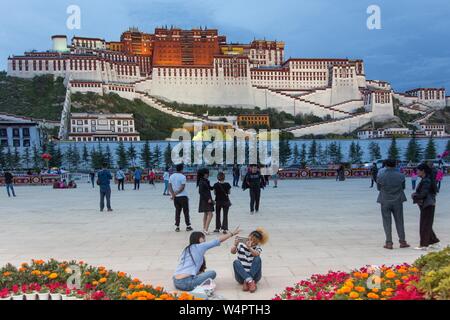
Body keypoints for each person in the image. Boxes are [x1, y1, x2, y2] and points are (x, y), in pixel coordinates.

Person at [173, 227, 240, 292]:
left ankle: (197, 284)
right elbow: (217, 240)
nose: (205, 240)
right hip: (186, 283)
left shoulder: (187, 249)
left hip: (176, 282)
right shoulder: (200, 246)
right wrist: (232, 234)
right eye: (203, 238)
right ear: (198, 239)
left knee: (203, 274)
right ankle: (199, 287)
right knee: (212, 273)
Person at [376, 159, 410, 250]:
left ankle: (389, 243)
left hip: (385, 200)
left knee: (386, 222)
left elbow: (378, 188)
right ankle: (402, 241)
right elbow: (403, 187)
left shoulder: (381, 175)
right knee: (399, 221)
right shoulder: (401, 175)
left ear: (385, 165)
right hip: (398, 200)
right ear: (395, 165)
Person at [412, 164, 440, 251]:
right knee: (427, 224)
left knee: (424, 224)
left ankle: (424, 245)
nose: (417, 172)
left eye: (418, 170)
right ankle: (434, 242)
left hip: (427, 204)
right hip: (428, 204)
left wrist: (414, 195)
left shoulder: (426, 180)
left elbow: (423, 194)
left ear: (423, 171)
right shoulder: (427, 179)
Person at [231, 228, 269, 293]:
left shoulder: (257, 247)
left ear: (258, 242)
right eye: (251, 239)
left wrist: (250, 248)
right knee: (236, 262)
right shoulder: (241, 245)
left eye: (254, 241)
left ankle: (247, 280)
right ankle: (250, 281)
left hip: (255, 277)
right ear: (248, 237)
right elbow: (232, 252)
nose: (252, 242)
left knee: (257, 259)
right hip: (241, 277)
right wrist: (235, 245)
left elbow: (256, 254)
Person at [169, 163, 192, 232]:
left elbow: (169, 186)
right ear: (181, 169)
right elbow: (182, 187)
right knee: (186, 211)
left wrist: (173, 194)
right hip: (183, 196)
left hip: (176, 198)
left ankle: (177, 226)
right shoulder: (183, 177)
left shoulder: (172, 176)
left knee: (177, 211)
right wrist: (175, 193)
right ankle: (188, 226)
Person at [197, 168, 214, 235]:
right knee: (210, 214)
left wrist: (216, 185)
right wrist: (208, 199)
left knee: (206, 214)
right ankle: (206, 229)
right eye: (207, 173)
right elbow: (200, 192)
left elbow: (210, 188)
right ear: (204, 174)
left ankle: (204, 228)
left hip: (206, 199)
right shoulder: (202, 182)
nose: (208, 174)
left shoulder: (205, 181)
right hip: (206, 200)